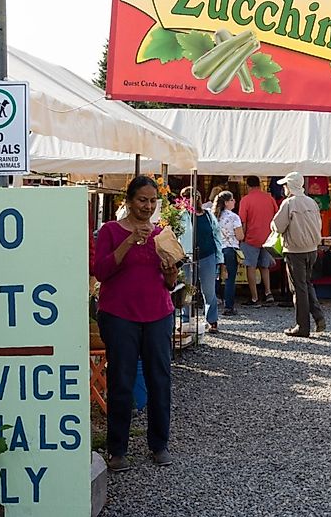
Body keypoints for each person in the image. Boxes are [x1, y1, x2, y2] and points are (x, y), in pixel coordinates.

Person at [93, 176, 178, 472]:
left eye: (153, 201)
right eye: (142, 200)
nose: (148, 206)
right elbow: (101, 271)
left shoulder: (161, 234)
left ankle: (159, 444)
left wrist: (170, 273)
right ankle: (117, 450)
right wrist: (130, 241)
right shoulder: (110, 231)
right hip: (119, 315)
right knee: (121, 381)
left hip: (158, 313)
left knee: (160, 380)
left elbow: (169, 283)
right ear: (128, 202)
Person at [271, 172, 326, 337]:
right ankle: (318, 317)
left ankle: (302, 326)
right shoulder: (311, 202)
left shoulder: (289, 203)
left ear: (290, 186)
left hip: (295, 250)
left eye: (285, 185)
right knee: (306, 284)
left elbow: (277, 226)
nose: (284, 188)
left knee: (299, 289)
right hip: (311, 249)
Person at [179, 187, 224, 332]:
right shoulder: (182, 216)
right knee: (187, 289)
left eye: (189, 197)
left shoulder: (209, 216)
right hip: (187, 256)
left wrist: (219, 258)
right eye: (184, 198)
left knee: (209, 290)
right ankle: (185, 320)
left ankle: (212, 320)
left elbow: (216, 236)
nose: (187, 200)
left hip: (207, 255)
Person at [238, 175, 279, 306]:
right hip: (268, 237)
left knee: (251, 266)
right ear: (260, 184)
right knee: (264, 266)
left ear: (248, 185)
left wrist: (241, 238)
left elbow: (242, 221)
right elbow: (276, 216)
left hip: (251, 238)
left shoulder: (245, 200)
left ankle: (254, 297)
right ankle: (268, 293)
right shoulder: (269, 198)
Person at [213, 190, 243, 317]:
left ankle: (212, 304)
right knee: (230, 278)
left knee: (214, 277)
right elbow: (240, 235)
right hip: (230, 248)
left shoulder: (213, 216)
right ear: (226, 202)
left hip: (216, 248)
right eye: (232, 200)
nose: (234, 201)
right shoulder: (234, 217)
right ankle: (228, 306)